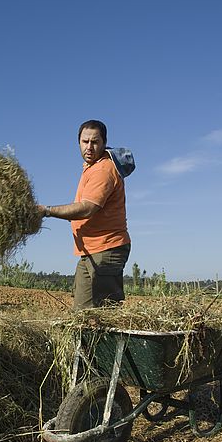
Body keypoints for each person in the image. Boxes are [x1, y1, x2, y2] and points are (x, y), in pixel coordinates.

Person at [37, 119, 135, 310]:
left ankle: (111, 341)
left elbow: (88, 208)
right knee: (82, 314)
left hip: (107, 249)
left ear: (104, 143)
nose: (89, 147)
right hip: (90, 251)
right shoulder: (91, 167)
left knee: (105, 315)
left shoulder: (103, 169)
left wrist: (47, 211)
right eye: (85, 141)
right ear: (78, 143)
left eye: (95, 141)